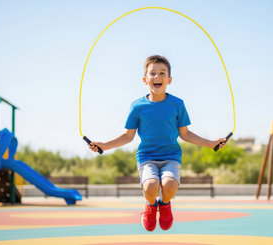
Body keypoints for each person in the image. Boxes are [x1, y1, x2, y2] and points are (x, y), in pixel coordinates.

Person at [88, 55, 227, 231]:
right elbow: (127, 136)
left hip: (171, 156)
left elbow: (185, 134)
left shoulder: (177, 104)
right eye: (152, 73)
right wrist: (104, 145)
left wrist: (211, 143)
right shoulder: (137, 106)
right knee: (151, 185)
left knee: (169, 184)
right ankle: (151, 206)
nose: (157, 76)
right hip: (147, 157)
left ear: (169, 79)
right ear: (145, 79)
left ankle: (165, 204)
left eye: (162, 73)